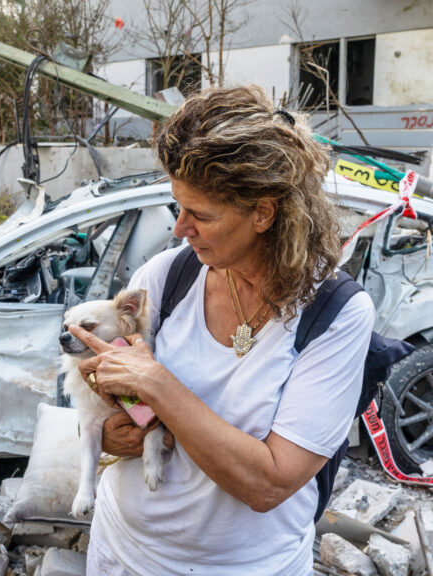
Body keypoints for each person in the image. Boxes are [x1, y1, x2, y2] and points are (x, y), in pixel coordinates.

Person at [69, 85, 376, 575]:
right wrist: (110, 433)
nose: (179, 228)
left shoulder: (337, 313)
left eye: (201, 215)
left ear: (263, 212)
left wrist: (156, 385)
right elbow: (110, 412)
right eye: (178, 207)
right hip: (122, 551)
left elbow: (270, 483)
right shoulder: (165, 279)